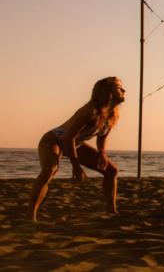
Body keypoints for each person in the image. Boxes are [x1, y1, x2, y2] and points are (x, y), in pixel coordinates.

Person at [27, 77, 125, 221]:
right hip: (55, 139)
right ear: (108, 91)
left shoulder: (112, 113)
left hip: (76, 144)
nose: (123, 90)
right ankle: (30, 217)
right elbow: (68, 138)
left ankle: (111, 212)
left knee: (111, 171)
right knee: (49, 170)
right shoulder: (90, 111)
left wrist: (101, 153)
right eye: (118, 88)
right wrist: (76, 165)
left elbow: (102, 137)